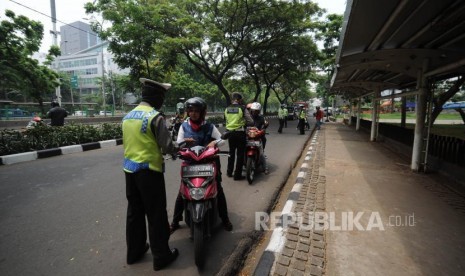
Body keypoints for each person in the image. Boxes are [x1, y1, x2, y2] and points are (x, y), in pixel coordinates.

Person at [122, 78, 179, 271]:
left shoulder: (128, 116)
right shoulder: (155, 117)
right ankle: (161, 256)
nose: (162, 102)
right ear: (156, 97)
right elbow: (167, 145)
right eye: (162, 98)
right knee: (156, 215)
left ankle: (134, 252)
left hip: (129, 171)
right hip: (149, 172)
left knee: (134, 213)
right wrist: (177, 149)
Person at [170, 97, 233, 233]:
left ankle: (225, 218)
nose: (193, 113)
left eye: (196, 111)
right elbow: (179, 142)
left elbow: (221, 140)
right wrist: (184, 143)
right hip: (190, 163)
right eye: (191, 110)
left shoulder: (209, 126)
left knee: (218, 189)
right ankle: (175, 221)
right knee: (182, 191)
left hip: (208, 162)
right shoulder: (184, 126)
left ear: (202, 112)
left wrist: (214, 143)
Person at [224, 92, 254, 180]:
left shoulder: (227, 108)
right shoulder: (242, 108)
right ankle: (237, 175)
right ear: (239, 99)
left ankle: (229, 172)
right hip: (240, 133)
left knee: (231, 153)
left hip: (230, 134)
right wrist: (244, 123)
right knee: (240, 155)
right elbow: (251, 121)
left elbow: (226, 120)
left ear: (233, 99)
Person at [249, 102, 269, 174]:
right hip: (249, 136)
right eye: (254, 110)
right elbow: (243, 123)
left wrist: (264, 127)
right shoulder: (248, 117)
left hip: (258, 137)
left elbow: (265, 123)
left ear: (259, 111)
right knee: (240, 151)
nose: (255, 112)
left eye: (257, 111)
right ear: (251, 110)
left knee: (261, 153)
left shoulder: (261, 117)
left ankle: (265, 168)